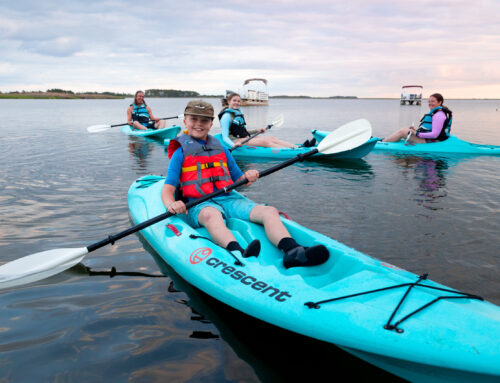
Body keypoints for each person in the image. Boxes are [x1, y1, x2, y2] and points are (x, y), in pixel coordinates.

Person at [161, 100, 329, 268]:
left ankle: (293, 251)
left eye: (204, 120)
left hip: (228, 198)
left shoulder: (222, 150)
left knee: (269, 211)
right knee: (212, 216)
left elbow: (239, 180)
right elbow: (168, 189)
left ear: (211, 123)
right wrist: (171, 204)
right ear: (185, 121)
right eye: (194, 119)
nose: (199, 124)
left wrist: (248, 175)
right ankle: (238, 253)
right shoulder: (180, 153)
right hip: (200, 204)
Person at [218, 93, 311, 149]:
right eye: (234, 100)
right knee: (266, 142)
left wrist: (257, 130)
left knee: (272, 138)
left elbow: (242, 131)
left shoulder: (237, 113)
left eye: (238, 101)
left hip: (242, 138)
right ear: (229, 101)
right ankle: (292, 152)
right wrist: (233, 145)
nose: (237, 103)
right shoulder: (226, 116)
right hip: (234, 141)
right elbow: (225, 137)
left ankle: (298, 147)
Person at [382, 93, 452, 143]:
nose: (430, 103)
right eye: (429, 101)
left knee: (403, 131)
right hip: (427, 139)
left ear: (440, 102)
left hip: (430, 141)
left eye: (433, 101)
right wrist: (416, 131)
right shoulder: (437, 113)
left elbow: (435, 134)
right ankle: (385, 140)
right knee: (407, 130)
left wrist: (417, 134)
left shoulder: (439, 115)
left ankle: (382, 143)